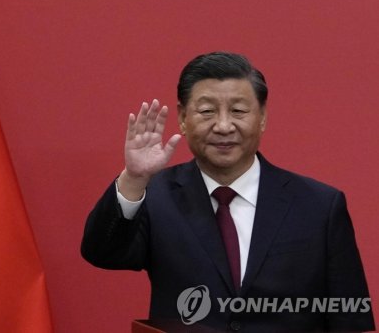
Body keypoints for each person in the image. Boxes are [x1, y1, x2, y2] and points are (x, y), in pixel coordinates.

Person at [81, 52, 375, 332]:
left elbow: (349, 317)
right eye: (207, 111)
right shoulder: (157, 196)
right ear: (183, 118)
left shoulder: (320, 205)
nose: (223, 126)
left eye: (238, 111)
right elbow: (102, 253)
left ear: (262, 118)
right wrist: (134, 178)